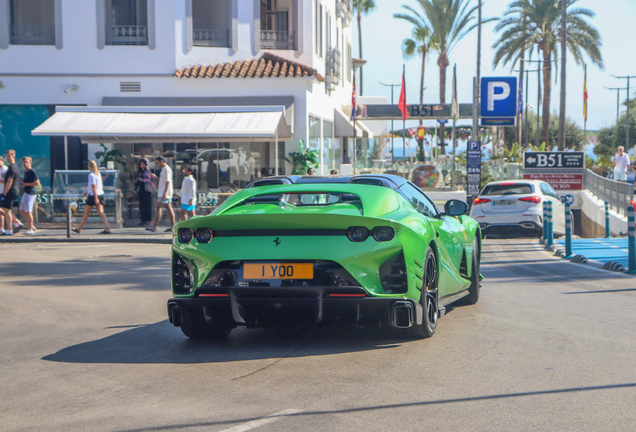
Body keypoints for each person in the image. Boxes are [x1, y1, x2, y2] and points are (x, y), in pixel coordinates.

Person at [72, 160, 111, 234]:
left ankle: (79, 229)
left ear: (90, 166)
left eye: (88, 165)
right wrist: (87, 193)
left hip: (93, 195)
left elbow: (94, 187)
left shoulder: (91, 175)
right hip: (100, 194)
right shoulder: (98, 174)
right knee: (101, 212)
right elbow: (94, 186)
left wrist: (95, 198)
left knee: (86, 213)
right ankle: (107, 229)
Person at [148, 156, 175, 233]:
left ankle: (154, 226)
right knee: (168, 208)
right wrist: (156, 178)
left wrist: (164, 193)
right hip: (164, 192)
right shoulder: (164, 169)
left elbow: (167, 182)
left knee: (158, 207)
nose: (157, 164)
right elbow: (164, 180)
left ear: (162, 161)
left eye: (158, 162)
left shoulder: (166, 169)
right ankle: (172, 226)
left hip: (164, 193)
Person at [0, 150, 21, 235]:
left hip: (11, 191)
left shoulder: (12, 167)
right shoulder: (12, 167)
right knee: (7, 209)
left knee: (7, 210)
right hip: (12, 190)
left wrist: (5, 192)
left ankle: (10, 229)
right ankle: (15, 222)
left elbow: (9, 180)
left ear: (13, 156)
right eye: (7, 156)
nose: (8, 158)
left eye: (9, 156)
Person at [19, 157, 39, 235]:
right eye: (24, 162)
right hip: (26, 192)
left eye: (27, 162)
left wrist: (26, 184)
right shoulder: (25, 171)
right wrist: (22, 181)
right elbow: (27, 181)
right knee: (22, 210)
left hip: (31, 193)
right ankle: (31, 224)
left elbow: (37, 182)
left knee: (28, 210)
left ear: (30, 163)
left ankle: (30, 229)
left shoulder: (32, 171)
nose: (25, 164)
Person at [136, 158, 153, 226]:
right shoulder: (140, 172)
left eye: (143, 164)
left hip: (147, 190)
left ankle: (148, 220)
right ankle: (143, 220)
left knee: (147, 205)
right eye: (141, 164)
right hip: (141, 190)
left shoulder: (147, 171)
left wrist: (141, 179)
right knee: (142, 206)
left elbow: (148, 180)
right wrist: (137, 191)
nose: (142, 165)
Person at [0, 155, 7, 233]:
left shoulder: (4, 169)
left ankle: (13, 219)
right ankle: (1, 227)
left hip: (3, 191)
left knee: (2, 209)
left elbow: (7, 181)